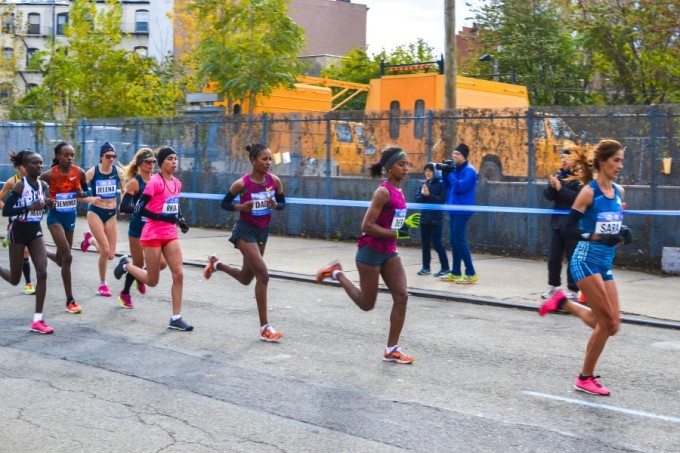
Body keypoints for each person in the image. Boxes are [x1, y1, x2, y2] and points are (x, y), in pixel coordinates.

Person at [539, 139, 631, 396]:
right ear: (603, 162)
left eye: (621, 160)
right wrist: (596, 237)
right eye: (616, 160)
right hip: (585, 260)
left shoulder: (619, 192)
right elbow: (569, 228)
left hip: (604, 264)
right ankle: (584, 377)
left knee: (612, 326)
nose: (619, 165)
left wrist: (622, 231)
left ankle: (563, 302)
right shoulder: (589, 192)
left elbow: (609, 224)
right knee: (607, 321)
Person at [315, 146, 414, 364]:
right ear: (389, 168)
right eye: (401, 164)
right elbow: (366, 225)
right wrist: (395, 232)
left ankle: (392, 349)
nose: (406, 168)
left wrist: (402, 227)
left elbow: (390, 221)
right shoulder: (383, 191)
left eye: (407, 164)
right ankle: (337, 273)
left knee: (402, 297)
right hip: (370, 252)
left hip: (389, 252)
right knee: (366, 304)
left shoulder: (399, 190)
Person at [203, 143, 286, 342]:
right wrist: (241, 206)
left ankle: (217, 264)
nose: (268, 163)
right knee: (263, 276)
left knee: (246, 278)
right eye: (264, 159)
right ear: (253, 161)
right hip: (244, 232)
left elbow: (283, 204)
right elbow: (224, 203)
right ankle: (265, 327)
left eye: (270, 159)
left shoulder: (274, 181)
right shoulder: (241, 184)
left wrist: (276, 205)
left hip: (262, 232)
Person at [112, 147, 193, 331]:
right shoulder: (154, 182)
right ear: (163, 162)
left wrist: (181, 220)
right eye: (170, 159)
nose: (174, 162)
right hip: (152, 234)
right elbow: (139, 208)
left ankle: (176, 318)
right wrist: (161, 217)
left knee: (178, 273)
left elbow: (173, 205)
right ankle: (126, 265)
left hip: (170, 234)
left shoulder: (177, 183)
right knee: (152, 281)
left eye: (176, 158)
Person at [40, 142, 98, 314]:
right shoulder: (48, 175)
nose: (70, 158)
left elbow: (86, 191)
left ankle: (42, 251)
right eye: (66, 155)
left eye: (72, 155)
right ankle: (70, 300)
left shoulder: (78, 172)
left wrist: (82, 194)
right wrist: (45, 201)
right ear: (58, 156)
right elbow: (35, 191)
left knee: (60, 260)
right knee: (68, 256)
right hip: (55, 218)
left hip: (70, 218)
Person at [0, 150, 54, 333]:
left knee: (43, 272)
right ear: (25, 167)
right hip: (18, 231)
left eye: (41, 163)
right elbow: (6, 211)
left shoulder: (43, 185)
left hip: (35, 231)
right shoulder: (19, 187)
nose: (39, 166)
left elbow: (42, 203)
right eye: (34, 163)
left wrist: (47, 204)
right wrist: (30, 206)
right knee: (15, 279)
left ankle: (37, 320)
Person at [117, 148, 163, 309]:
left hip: (154, 229)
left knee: (162, 263)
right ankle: (125, 293)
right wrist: (140, 208)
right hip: (137, 230)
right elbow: (123, 207)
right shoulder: (135, 182)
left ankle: (141, 276)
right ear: (140, 164)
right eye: (148, 162)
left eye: (153, 162)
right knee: (137, 263)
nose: (151, 165)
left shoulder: (157, 180)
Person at [81, 142, 125, 297]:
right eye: (108, 156)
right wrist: (89, 199)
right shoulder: (92, 173)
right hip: (96, 212)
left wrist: (124, 205)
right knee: (105, 250)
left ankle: (89, 240)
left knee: (111, 255)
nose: (111, 159)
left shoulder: (118, 172)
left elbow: (124, 190)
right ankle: (102, 284)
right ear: (101, 157)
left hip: (111, 213)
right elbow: (79, 193)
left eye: (113, 156)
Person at [541, 145, 582, 301]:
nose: (563, 160)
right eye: (562, 157)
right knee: (554, 257)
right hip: (557, 224)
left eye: (567, 157)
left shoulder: (580, 178)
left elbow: (577, 199)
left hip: (572, 225)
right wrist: (552, 186)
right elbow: (548, 196)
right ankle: (553, 287)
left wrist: (560, 187)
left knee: (572, 258)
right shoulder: (559, 175)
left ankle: (573, 290)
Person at [440, 143, 478, 284]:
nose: (454, 156)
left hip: (463, 209)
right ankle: (456, 272)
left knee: (460, 241)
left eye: (458, 154)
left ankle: (470, 272)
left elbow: (460, 187)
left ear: (464, 156)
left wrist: (449, 174)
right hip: (453, 209)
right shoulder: (454, 169)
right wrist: (445, 174)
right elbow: (447, 186)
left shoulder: (470, 171)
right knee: (454, 241)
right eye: (453, 153)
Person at [0, 151, 35, 295]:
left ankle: (28, 283)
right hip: (15, 223)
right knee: (25, 252)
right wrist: (8, 209)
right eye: (25, 165)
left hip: (31, 223)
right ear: (20, 166)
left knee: (27, 252)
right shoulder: (11, 182)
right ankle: (29, 283)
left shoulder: (34, 180)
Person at [415, 163, 449, 277]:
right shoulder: (423, 184)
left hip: (435, 220)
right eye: (426, 171)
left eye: (430, 171)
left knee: (437, 244)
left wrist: (429, 195)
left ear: (435, 172)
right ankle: (426, 268)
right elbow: (417, 199)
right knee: (425, 245)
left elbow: (441, 201)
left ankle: (445, 268)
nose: (427, 173)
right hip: (424, 219)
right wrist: (424, 195)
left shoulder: (440, 184)